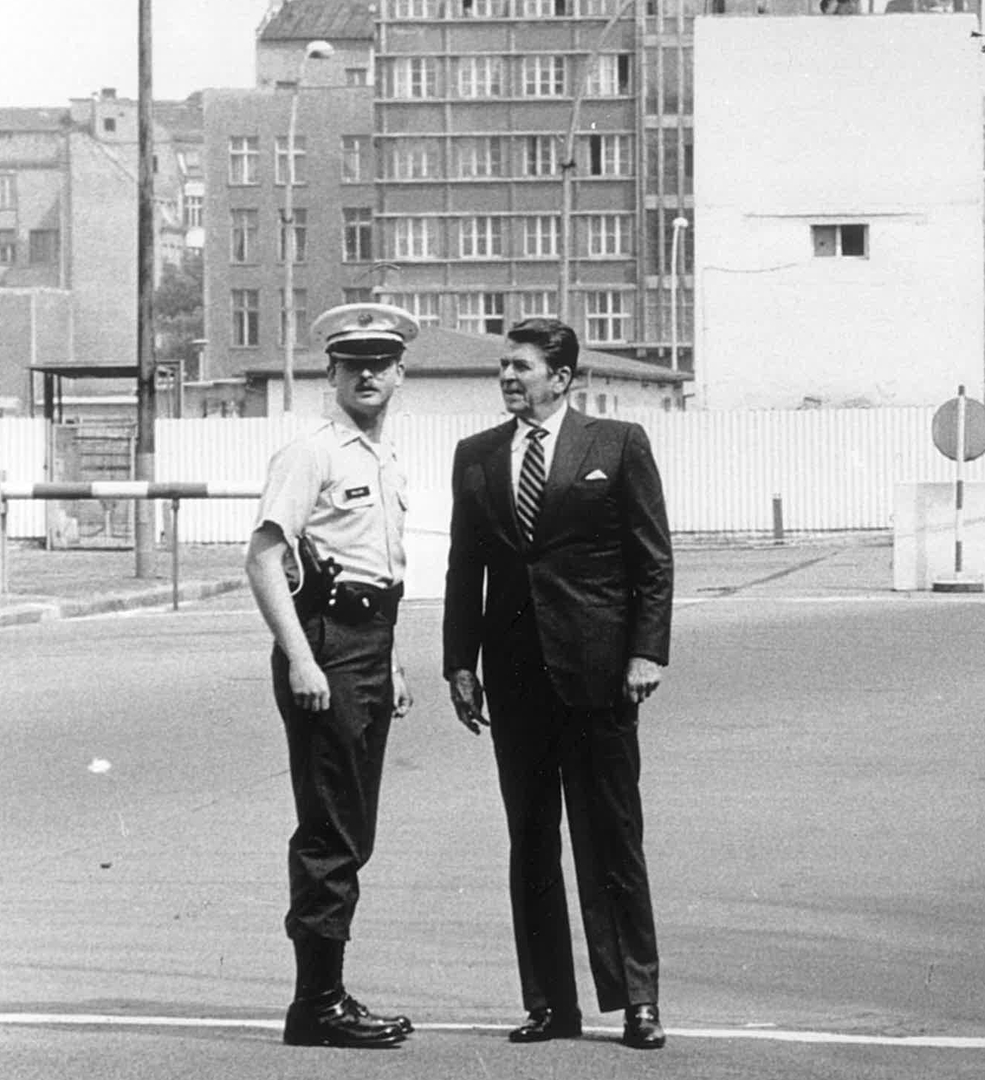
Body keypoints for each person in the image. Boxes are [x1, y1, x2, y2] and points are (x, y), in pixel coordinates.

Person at [441, 317, 674, 1051]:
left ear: (563, 379)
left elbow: (653, 562)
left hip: (600, 675)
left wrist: (646, 654)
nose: (508, 377)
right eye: (503, 368)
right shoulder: (476, 457)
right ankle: (549, 1004)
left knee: (612, 840)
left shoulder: (617, 446)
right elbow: (463, 569)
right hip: (515, 682)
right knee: (531, 842)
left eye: (522, 367)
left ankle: (637, 999)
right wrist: (460, 663)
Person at [245, 302, 420, 1049]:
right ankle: (316, 1004)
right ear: (333, 375)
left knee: (350, 825)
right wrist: (304, 659)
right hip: (325, 645)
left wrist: (392, 659)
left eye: (382, 363)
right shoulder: (310, 451)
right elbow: (262, 558)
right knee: (330, 829)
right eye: (355, 365)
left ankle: (325, 994)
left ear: (400, 374)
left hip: (367, 644)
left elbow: (378, 570)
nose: (370, 375)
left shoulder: (382, 458)